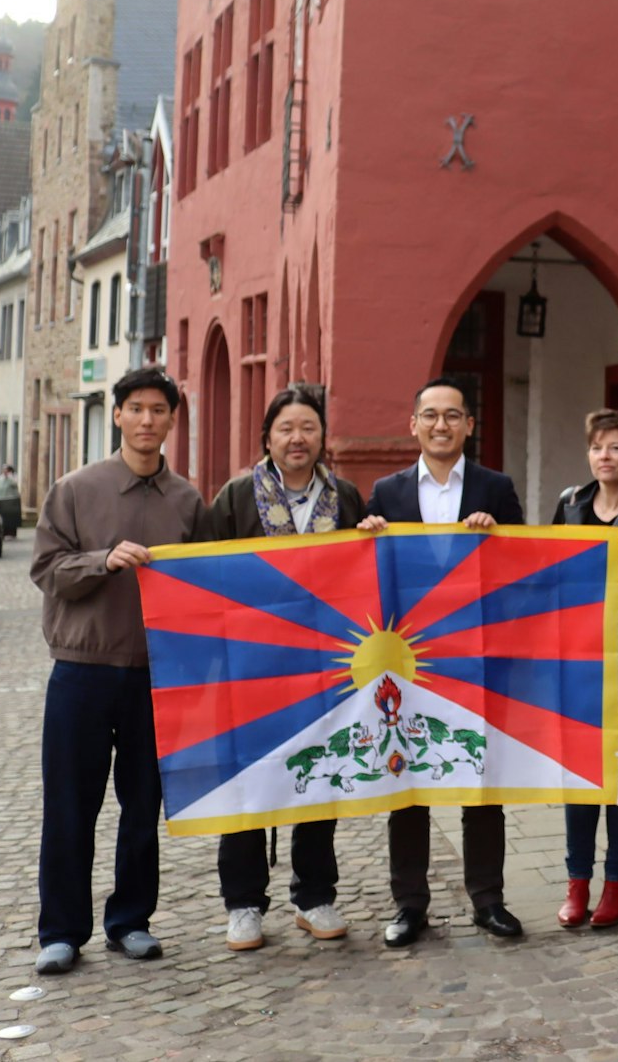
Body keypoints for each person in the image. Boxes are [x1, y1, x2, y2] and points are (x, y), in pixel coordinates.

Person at [28, 367, 204, 975]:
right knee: (71, 803)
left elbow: (204, 590)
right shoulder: (75, 489)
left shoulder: (188, 501)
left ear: (172, 421)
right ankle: (61, 930)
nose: (148, 420)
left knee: (142, 803)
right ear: (118, 415)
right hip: (82, 671)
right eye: (136, 409)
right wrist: (102, 561)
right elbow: (48, 571)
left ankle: (130, 920)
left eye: (159, 410)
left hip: (156, 676)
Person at [358, 377, 527, 947]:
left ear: (468, 426)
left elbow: (524, 567)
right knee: (407, 784)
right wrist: (366, 536)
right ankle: (409, 905)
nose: (440, 425)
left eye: (452, 415)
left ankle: (489, 900)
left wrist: (498, 537)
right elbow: (365, 579)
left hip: (476, 656)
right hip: (407, 662)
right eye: (429, 415)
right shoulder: (385, 492)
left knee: (483, 780)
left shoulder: (496, 488)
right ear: (414, 424)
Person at [204, 386, 365, 952]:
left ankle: (314, 894)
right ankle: (243, 902)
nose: (298, 439)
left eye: (309, 428)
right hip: (252, 668)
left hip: (328, 667)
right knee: (249, 781)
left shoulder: (344, 497)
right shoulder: (234, 498)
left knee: (322, 776)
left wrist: (374, 540)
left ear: (322, 437)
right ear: (267, 437)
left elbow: (365, 578)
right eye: (286, 429)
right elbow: (205, 577)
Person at [551, 409, 618, 930]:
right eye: (598, 447)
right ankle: (577, 883)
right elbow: (547, 575)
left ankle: (617, 883)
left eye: (616, 447)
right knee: (579, 770)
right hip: (578, 657)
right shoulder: (570, 506)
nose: (605, 456)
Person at [0, 463, 22, 537]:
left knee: (11, 518)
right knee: (3, 517)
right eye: (4, 470)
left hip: (11, 501)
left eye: (6, 470)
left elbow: (15, 484)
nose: (5, 472)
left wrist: (9, 476)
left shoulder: (12, 477)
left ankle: (11, 533)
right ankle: (4, 532)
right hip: (2, 501)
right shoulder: (0, 478)